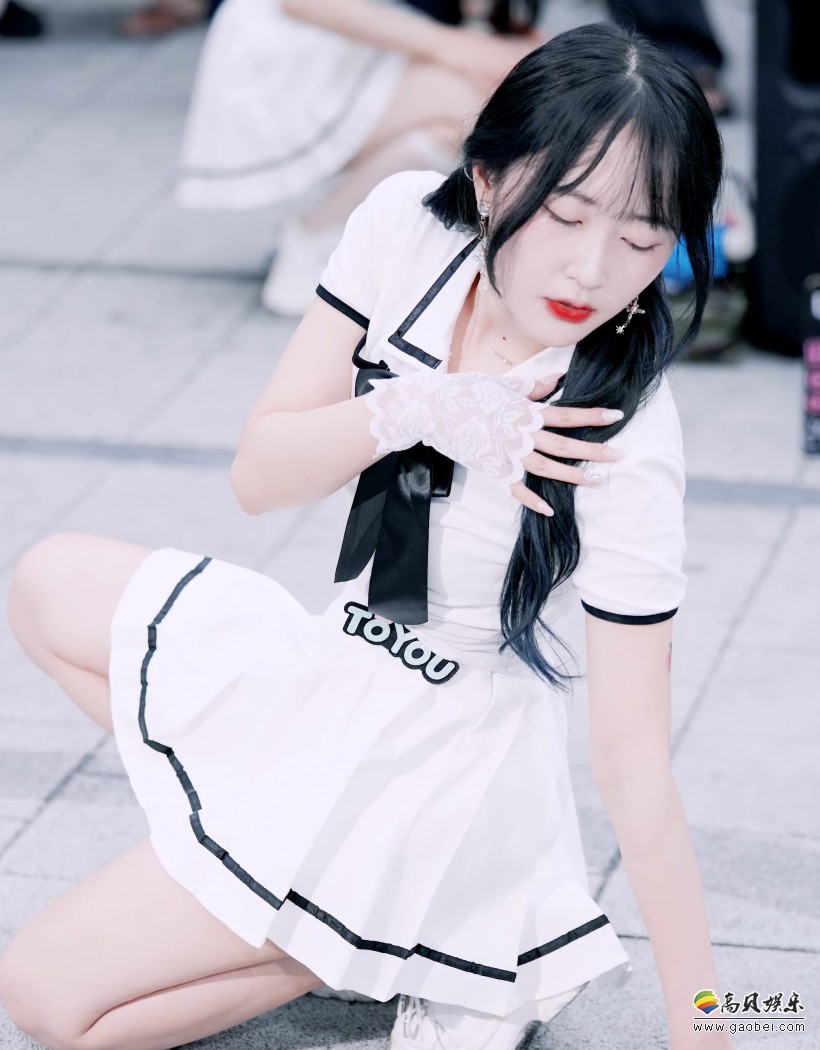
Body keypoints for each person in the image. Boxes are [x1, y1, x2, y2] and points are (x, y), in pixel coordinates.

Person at [0, 22, 735, 1050]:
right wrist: (418, 408)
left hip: (440, 762)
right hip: (336, 663)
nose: (592, 267)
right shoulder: (404, 230)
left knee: (45, 999)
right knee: (46, 583)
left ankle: (364, 932)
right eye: (566, 213)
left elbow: (633, 761)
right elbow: (259, 478)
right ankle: (344, 925)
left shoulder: (625, 434)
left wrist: (712, 1022)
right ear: (489, 179)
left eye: (643, 241)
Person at [175, 0, 546, 317]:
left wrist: (489, 36)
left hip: (357, 43)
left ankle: (330, 239)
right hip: (292, 58)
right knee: (479, 101)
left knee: (477, 107)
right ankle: (315, 246)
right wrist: (454, 46)